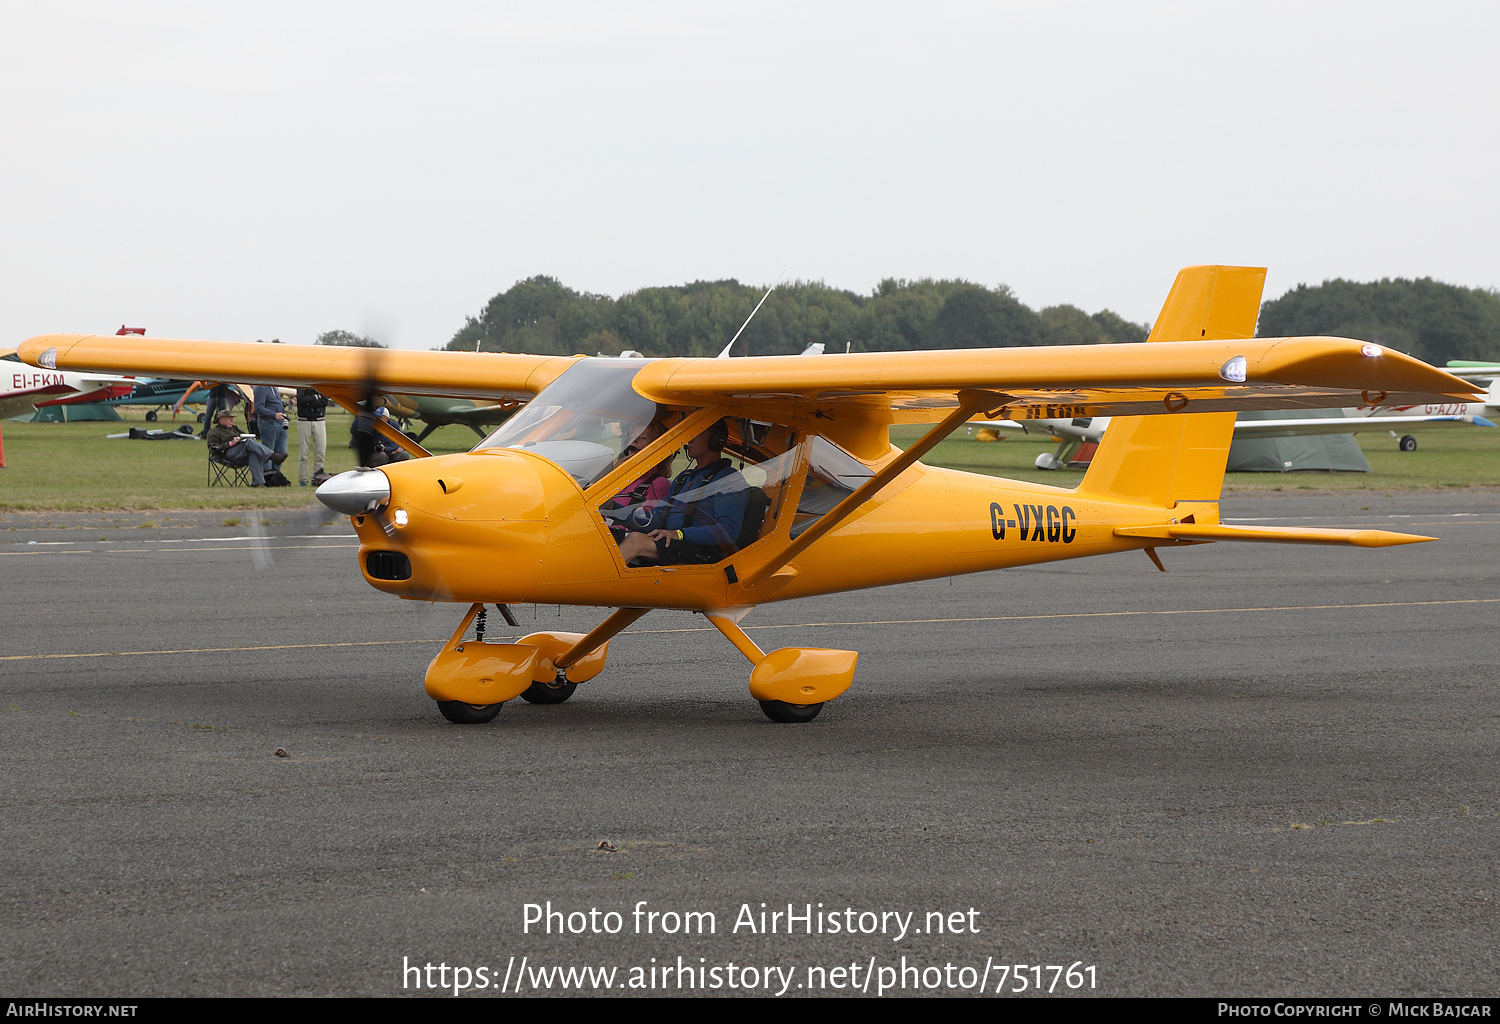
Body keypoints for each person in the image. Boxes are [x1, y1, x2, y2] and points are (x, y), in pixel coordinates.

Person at [618, 419, 748, 566]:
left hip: (703, 554)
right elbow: (655, 520)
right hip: (675, 545)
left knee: (635, 541)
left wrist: (679, 534)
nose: (689, 439)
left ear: (716, 440)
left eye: (696, 433)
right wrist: (613, 509)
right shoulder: (683, 479)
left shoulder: (728, 478)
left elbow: (728, 531)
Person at [205, 408, 286, 487]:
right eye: (229, 419)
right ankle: (273, 456)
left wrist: (245, 438)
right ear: (221, 420)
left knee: (254, 453)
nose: (232, 421)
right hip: (227, 455)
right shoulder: (214, 432)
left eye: (232, 419)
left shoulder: (234, 428)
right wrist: (231, 443)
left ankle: (258, 483)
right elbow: (213, 448)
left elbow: (245, 435)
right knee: (249, 442)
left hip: (241, 453)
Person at [295, 387, 328, 486]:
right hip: (304, 421)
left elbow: (324, 401)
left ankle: (317, 478)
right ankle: (303, 480)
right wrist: (315, 397)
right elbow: (300, 400)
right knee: (303, 453)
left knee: (320, 452)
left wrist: (308, 401)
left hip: (319, 420)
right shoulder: (302, 384)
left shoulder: (321, 384)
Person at [253, 384, 289, 458]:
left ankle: (276, 470)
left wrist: (285, 403)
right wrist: (274, 415)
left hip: (280, 423)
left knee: (281, 453)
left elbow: (273, 404)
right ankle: (268, 470)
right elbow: (258, 408)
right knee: (269, 453)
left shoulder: (274, 387)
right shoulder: (261, 387)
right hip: (269, 423)